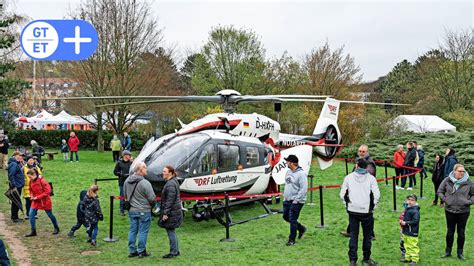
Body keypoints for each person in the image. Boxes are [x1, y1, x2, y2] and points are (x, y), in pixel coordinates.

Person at [339, 158, 380, 266]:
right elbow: (377, 195)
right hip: (366, 211)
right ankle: (366, 259)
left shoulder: (348, 177)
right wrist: (372, 207)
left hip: (353, 210)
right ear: (366, 167)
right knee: (367, 237)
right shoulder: (371, 178)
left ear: (357, 165)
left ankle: (353, 261)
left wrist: (347, 205)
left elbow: (342, 194)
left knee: (353, 236)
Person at [438, 164, 473, 260]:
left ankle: (460, 253)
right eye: (460, 171)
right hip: (450, 210)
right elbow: (440, 191)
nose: (462, 173)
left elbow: (473, 194)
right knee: (450, 232)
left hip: (463, 211)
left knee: (461, 232)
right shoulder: (447, 180)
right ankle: (448, 252)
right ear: (454, 171)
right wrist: (445, 199)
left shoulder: (469, 182)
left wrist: (469, 202)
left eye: (463, 171)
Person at [341, 144, 377, 238]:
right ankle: (350, 231)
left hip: (366, 192)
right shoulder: (359, 160)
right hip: (357, 191)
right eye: (360, 151)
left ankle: (370, 234)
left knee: (368, 213)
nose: (361, 153)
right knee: (354, 211)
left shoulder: (369, 162)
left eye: (363, 151)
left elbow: (367, 175)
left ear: (367, 152)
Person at [124, 162, 156, 258]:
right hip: (144, 210)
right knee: (143, 231)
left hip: (132, 210)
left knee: (133, 230)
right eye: (145, 168)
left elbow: (125, 196)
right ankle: (141, 251)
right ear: (140, 170)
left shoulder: (126, 181)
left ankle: (132, 250)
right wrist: (152, 206)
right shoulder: (145, 183)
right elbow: (152, 198)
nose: (146, 170)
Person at [25, 169, 59, 237]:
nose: (29, 178)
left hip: (45, 201)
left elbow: (48, 191)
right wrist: (31, 196)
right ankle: (33, 231)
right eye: (28, 177)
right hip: (35, 201)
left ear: (34, 175)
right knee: (31, 214)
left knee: (50, 214)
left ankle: (56, 227)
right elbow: (30, 189)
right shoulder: (31, 181)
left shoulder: (42, 181)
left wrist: (37, 197)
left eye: (30, 177)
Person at [282, 155, 307, 246]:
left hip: (296, 201)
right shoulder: (288, 172)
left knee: (292, 219)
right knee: (286, 217)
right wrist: (285, 197)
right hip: (287, 200)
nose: (286, 163)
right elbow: (287, 185)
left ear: (291, 163)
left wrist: (296, 200)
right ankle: (301, 228)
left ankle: (292, 239)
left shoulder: (301, 174)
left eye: (287, 161)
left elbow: (303, 189)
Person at [159, 165, 183, 259]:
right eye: (163, 171)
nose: (163, 173)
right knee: (171, 231)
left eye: (164, 171)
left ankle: (173, 252)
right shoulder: (172, 182)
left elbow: (170, 200)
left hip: (172, 212)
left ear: (170, 173)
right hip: (174, 211)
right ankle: (175, 250)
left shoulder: (170, 184)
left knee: (170, 231)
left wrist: (165, 213)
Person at [400, 194, 420, 265]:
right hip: (406, 231)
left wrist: (405, 223)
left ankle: (414, 260)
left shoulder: (415, 210)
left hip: (412, 232)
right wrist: (402, 220)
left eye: (412, 200)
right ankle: (408, 258)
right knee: (406, 245)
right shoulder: (408, 208)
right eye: (409, 200)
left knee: (413, 246)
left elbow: (415, 221)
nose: (410, 201)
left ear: (415, 201)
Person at [7, 151, 25, 223]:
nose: (21, 157)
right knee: (15, 202)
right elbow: (11, 175)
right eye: (19, 156)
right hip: (16, 186)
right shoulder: (14, 164)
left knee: (16, 201)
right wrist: (14, 185)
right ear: (15, 156)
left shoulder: (16, 163)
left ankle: (15, 216)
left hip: (18, 185)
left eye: (21, 156)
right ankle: (14, 217)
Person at [114, 150, 133, 216]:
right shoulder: (119, 163)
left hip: (130, 182)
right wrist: (121, 174)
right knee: (122, 196)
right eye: (128, 155)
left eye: (130, 155)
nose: (129, 156)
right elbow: (115, 172)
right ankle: (121, 210)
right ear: (124, 155)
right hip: (122, 182)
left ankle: (128, 208)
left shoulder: (131, 163)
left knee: (129, 196)